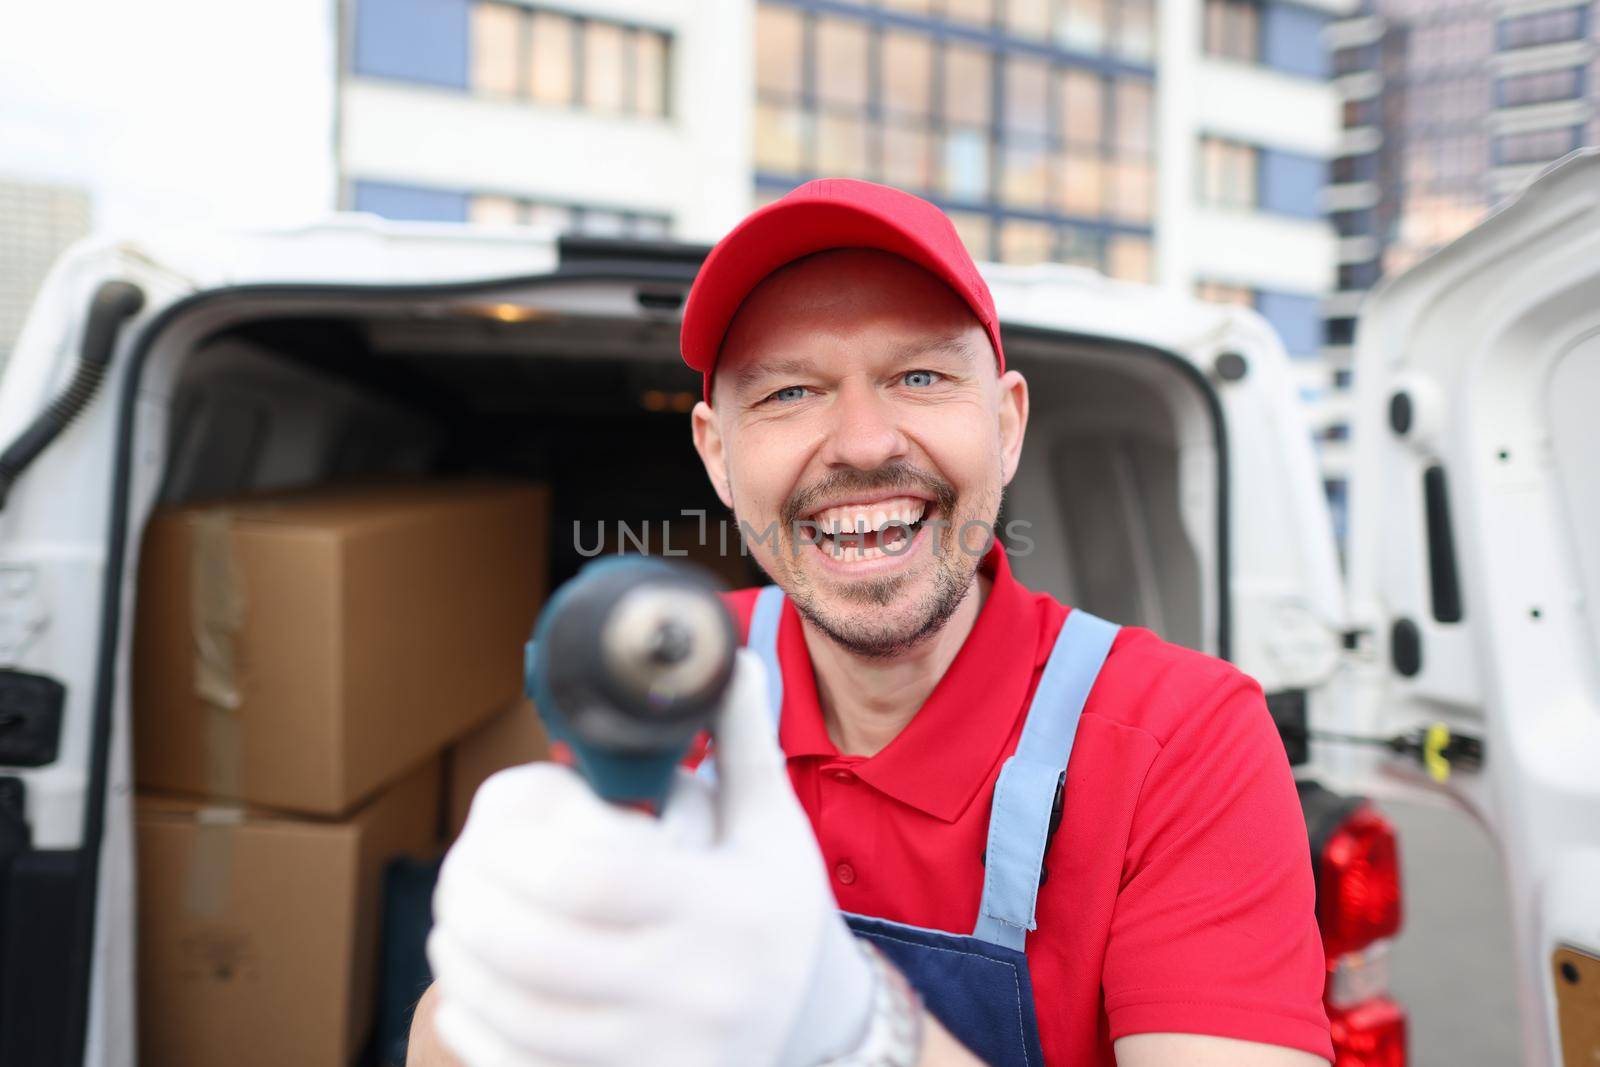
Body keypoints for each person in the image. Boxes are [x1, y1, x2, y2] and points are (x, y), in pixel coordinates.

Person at [409, 179, 1333, 1066]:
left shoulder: (1185, 738)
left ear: (1006, 424)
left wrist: (857, 1032)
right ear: (718, 455)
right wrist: (488, 991)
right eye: (789, 393)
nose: (861, 442)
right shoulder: (667, 669)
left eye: (920, 374)